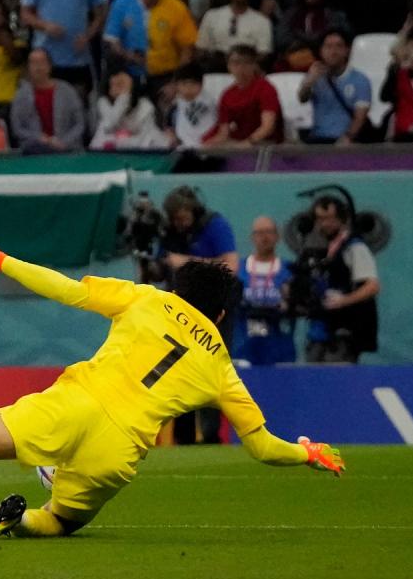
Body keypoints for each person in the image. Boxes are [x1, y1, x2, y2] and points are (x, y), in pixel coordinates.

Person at [0, 231, 345, 540]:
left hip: (77, 403)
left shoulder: (148, 298)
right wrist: (309, 452)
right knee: (60, 521)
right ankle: (12, 518)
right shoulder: (222, 367)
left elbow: (65, 289)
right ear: (222, 315)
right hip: (120, 452)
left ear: (179, 290)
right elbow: (263, 446)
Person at [157, 185, 238, 445]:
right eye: (175, 219)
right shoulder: (171, 233)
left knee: (211, 367)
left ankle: (211, 433)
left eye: (183, 218)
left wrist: (189, 263)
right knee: (181, 368)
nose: (180, 224)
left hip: (215, 308)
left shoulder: (215, 225)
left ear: (193, 210)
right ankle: (184, 436)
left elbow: (231, 265)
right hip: (182, 310)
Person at [302, 194, 379, 363]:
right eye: (320, 219)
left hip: (344, 332)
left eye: (330, 218)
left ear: (342, 219)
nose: (325, 224)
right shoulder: (326, 251)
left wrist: (344, 300)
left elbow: (372, 285)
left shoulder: (355, 247)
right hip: (323, 330)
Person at [103, 0, 197, 102]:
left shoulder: (176, 7)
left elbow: (188, 49)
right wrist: (128, 55)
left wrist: (176, 84)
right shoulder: (121, 3)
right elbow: (111, 40)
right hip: (129, 75)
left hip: (165, 77)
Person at [232, 216, 295, 365]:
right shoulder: (238, 268)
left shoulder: (288, 270)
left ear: (277, 236)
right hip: (244, 345)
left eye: (268, 232)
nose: (264, 237)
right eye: (259, 233)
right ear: (252, 237)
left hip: (279, 345)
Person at [20, 0, 108, 99]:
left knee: (78, 105)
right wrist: (45, 26)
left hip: (77, 59)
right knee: (44, 104)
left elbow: (101, 14)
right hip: (46, 59)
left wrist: (88, 35)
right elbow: (25, 14)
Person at [297, 27, 373, 144]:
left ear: (347, 50)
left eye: (339, 46)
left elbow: (360, 117)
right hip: (318, 139)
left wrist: (348, 136)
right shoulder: (315, 76)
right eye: (328, 46)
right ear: (321, 51)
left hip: (346, 141)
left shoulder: (360, 80)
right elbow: (302, 98)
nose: (333, 51)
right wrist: (309, 81)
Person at [202, 44, 282, 148]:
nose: (241, 68)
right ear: (228, 66)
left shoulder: (265, 88)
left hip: (264, 144)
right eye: (236, 63)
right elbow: (223, 132)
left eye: (246, 63)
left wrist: (248, 142)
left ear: (254, 65)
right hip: (237, 143)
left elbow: (267, 127)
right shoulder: (227, 95)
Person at [10, 48, 85, 152]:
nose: (38, 67)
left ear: (50, 66)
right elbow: (17, 128)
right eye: (34, 63)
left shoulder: (67, 90)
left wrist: (64, 142)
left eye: (42, 62)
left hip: (67, 148)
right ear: (28, 67)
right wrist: (38, 138)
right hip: (34, 149)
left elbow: (79, 123)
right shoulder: (21, 95)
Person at [89, 68, 169, 150]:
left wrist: (121, 140)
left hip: (139, 154)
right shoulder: (104, 103)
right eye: (113, 85)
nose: (118, 89)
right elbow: (108, 127)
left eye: (121, 84)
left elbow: (145, 140)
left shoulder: (145, 106)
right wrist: (123, 99)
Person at [275, 0, 350, 72]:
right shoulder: (290, 13)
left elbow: (332, 36)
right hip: (294, 60)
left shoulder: (335, 14)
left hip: (325, 62)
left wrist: (298, 35)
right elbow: (281, 38)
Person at [196, 0, 273, 69]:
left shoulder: (262, 21)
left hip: (246, 68)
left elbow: (263, 53)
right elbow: (201, 47)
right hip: (214, 66)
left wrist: (241, 65)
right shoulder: (211, 16)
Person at [167, 61, 218, 148]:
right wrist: (172, 137)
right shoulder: (175, 105)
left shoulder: (211, 102)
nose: (188, 88)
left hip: (210, 146)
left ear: (201, 84)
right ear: (177, 85)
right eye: (184, 84)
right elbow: (169, 126)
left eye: (193, 84)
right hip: (184, 148)